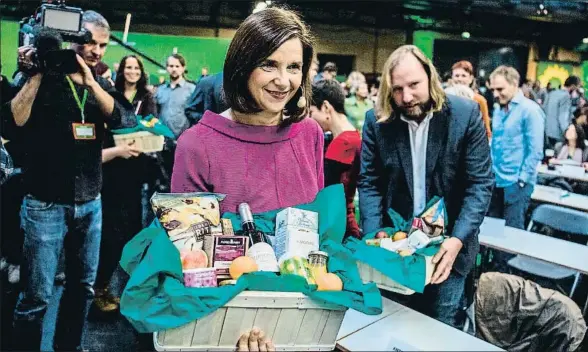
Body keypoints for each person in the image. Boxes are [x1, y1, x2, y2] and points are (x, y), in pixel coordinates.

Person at [5, 11, 135, 351]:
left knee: (83, 289)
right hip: (44, 201)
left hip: (91, 201)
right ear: (70, 40)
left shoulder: (98, 81)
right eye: (88, 41)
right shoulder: (40, 75)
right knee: (36, 296)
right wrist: (36, 73)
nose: (95, 50)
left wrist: (91, 82)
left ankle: (69, 347)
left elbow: (123, 118)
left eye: (103, 45)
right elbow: (10, 124)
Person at [358, 45, 493, 328]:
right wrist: (374, 237)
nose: (406, 97)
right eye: (397, 89)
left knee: (439, 329)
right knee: (391, 326)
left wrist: (457, 240)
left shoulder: (465, 115)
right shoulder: (376, 121)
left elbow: (480, 184)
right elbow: (370, 183)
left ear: (430, 77)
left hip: (450, 250)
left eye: (414, 85)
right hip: (396, 251)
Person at [171, 7, 323, 215]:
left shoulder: (310, 132)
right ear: (242, 66)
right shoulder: (196, 145)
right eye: (269, 65)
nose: (283, 81)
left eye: (294, 67)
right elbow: (189, 241)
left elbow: (318, 221)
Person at [93, 54, 157, 313]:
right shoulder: (111, 93)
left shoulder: (147, 97)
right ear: (122, 71)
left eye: (136, 68)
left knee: (132, 228)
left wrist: (145, 133)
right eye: (128, 67)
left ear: (141, 72)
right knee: (110, 230)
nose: (132, 71)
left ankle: (124, 289)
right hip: (111, 167)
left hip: (136, 167)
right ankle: (100, 287)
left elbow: (152, 123)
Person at [487, 65, 544, 271]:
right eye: (493, 90)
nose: (496, 94)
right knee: (492, 233)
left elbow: (536, 150)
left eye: (500, 89)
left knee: (511, 237)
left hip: (517, 183)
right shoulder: (498, 108)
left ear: (513, 84)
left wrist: (522, 179)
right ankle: (491, 276)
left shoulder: (530, 110)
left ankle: (508, 283)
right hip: (497, 180)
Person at [310, 79, 361, 239]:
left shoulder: (342, 144)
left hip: (338, 226)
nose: (310, 119)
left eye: (311, 113)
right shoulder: (353, 135)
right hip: (346, 221)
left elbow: (326, 193)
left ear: (326, 107)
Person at [451, 60, 492, 138]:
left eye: (463, 76)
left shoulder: (480, 100)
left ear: (471, 78)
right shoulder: (445, 98)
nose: (459, 79)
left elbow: (486, 130)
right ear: (452, 78)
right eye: (457, 76)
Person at [543, 75, 580, 149]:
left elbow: (544, 108)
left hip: (546, 131)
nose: (578, 89)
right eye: (577, 86)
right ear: (573, 86)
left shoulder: (552, 93)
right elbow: (563, 117)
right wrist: (567, 132)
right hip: (558, 134)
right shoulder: (566, 96)